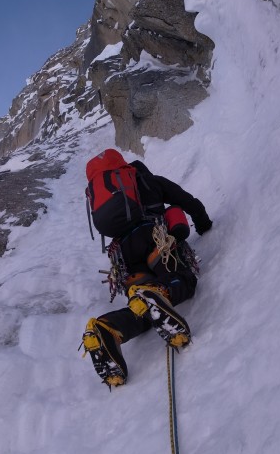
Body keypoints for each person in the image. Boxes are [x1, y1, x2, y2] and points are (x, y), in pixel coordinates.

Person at [81, 150, 213, 388]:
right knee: (182, 280)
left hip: (126, 260)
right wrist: (204, 225)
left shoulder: (106, 198)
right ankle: (156, 294)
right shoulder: (149, 181)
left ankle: (108, 328)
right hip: (156, 239)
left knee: (141, 306)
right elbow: (188, 202)